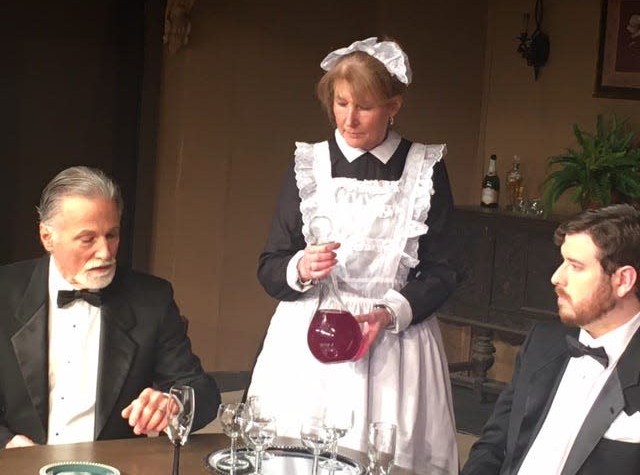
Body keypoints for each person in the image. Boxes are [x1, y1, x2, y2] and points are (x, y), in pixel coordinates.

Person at [247, 37, 459, 474]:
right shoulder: (309, 165)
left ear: (393, 106)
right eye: (340, 104)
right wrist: (301, 267)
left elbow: (447, 267)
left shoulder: (424, 168)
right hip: (309, 344)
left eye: (364, 106)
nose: (349, 118)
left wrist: (388, 312)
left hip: (396, 346)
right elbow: (270, 265)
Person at [0, 166, 220, 449]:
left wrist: (173, 403)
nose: (105, 252)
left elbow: (203, 392)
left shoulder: (151, 298)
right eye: (88, 239)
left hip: (113, 467)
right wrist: (8, 444)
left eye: (112, 235)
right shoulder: (5, 292)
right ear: (47, 237)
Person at [461, 204, 640, 475]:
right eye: (562, 262)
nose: (556, 277)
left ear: (623, 280)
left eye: (575, 267)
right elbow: (493, 445)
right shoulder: (543, 341)